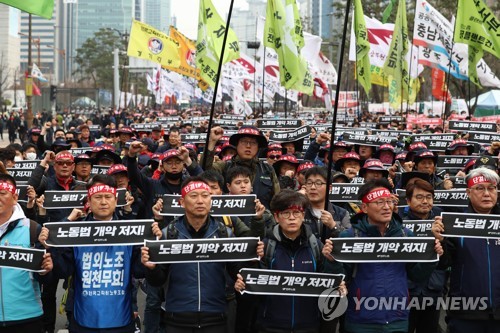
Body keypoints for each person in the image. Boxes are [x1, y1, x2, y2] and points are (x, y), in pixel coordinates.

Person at [141, 177, 264, 333]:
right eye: (193, 196)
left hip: (215, 316)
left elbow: (236, 272)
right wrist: (151, 268)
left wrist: (251, 260)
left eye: (205, 196)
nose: (200, 201)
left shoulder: (224, 233)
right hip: (177, 318)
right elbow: (157, 281)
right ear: (182, 202)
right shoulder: (169, 234)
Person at [328, 179, 443, 333]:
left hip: (398, 318)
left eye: (389, 201)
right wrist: (331, 260)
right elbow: (341, 277)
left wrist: (431, 256)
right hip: (360, 320)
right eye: (379, 202)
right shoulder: (349, 236)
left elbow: (417, 276)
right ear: (364, 207)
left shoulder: (405, 235)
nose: (387, 207)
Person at [39, 175, 148, 333]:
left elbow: (140, 270)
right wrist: (50, 247)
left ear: (116, 201)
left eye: (108, 197)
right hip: (83, 318)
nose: (103, 202)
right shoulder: (75, 232)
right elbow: (63, 271)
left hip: (121, 318)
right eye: (97, 197)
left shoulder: (131, 232)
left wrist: (151, 249)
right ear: (88, 202)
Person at [234, 189, 346, 333]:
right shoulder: (267, 247)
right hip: (270, 326)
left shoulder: (316, 246)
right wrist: (242, 283)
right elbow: (252, 289)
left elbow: (329, 284)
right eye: (286, 213)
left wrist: (334, 266)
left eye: (296, 213)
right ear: (276, 217)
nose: (292, 218)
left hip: (309, 326)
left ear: (303, 215)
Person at [432, 167, 500, 333]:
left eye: (491, 188)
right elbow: (444, 263)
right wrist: (439, 241)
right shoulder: (454, 224)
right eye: (480, 188)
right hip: (466, 314)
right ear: (468, 192)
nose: (486, 194)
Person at [0, 173, 53, 333]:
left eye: (2, 194)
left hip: (26, 317)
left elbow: (47, 277)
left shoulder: (32, 229)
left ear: (15, 197)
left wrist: (46, 270)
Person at [400, 178, 446, 333]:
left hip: (433, 289)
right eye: (419, 197)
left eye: (429, 197)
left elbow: (448, 260)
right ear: (408, 200)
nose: (425, 201)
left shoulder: (442, 224)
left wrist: (441, 241)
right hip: (406, 292)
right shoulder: (400, 226)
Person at [203, 126, 280, 209]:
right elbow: (204, 170)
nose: (248, 146)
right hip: (231, 219)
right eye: (244, 142)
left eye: (253, 143)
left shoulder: (267, 169)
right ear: (236, 145)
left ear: (258, 147)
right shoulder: (225, 166)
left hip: (262, 219)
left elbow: (277, 200)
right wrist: (211, 142)